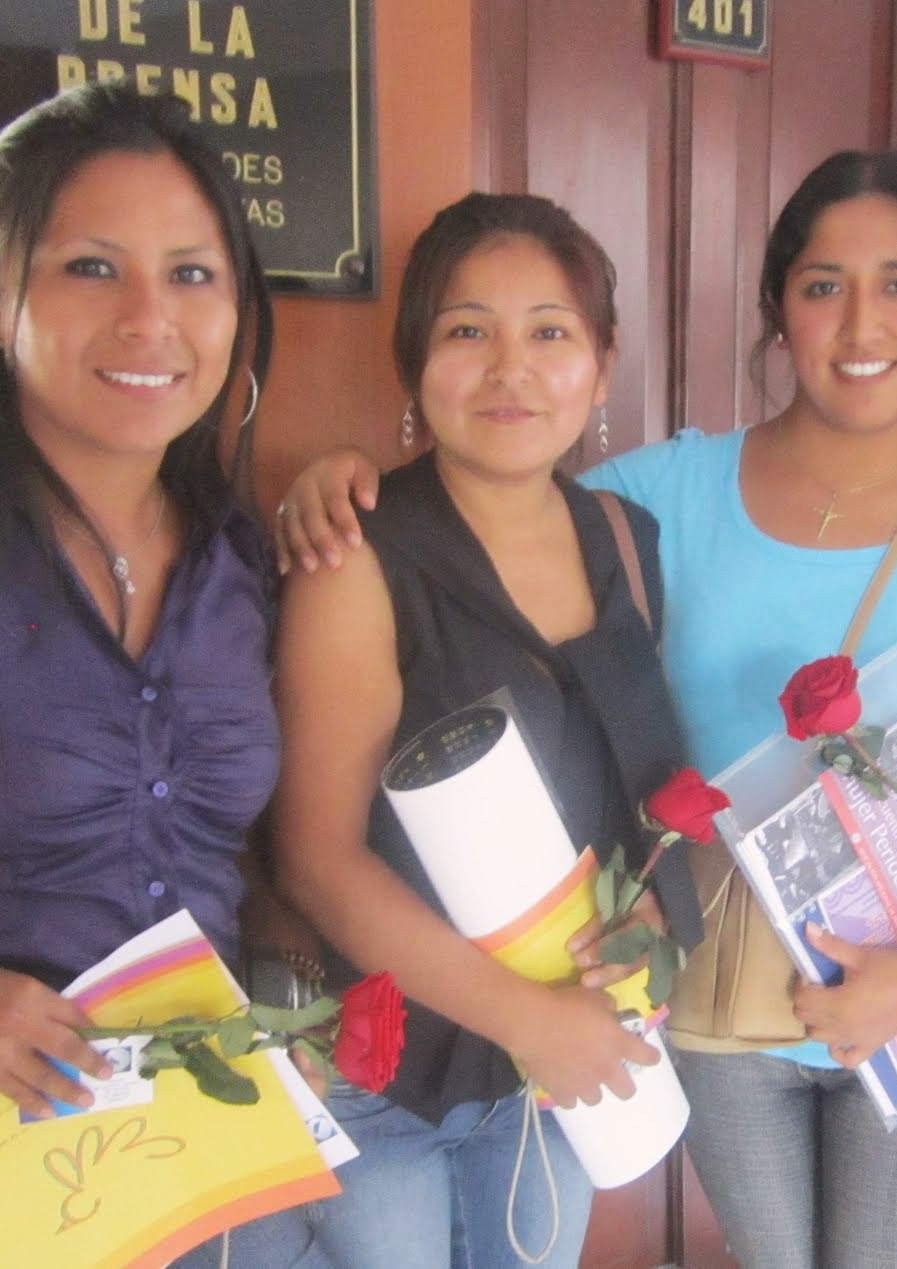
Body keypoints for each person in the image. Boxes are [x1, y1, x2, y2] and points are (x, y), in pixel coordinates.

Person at [277, 151, 897, 1269]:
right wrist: (330, 476)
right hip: (718, 1017)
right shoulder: (656, 501)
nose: (860, 320)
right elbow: (487, 494)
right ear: (779, 312)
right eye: (821, 285)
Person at [0, 82, 279, 1266]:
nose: (149, 319)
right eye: (88, 268)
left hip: (179, 1180)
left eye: (191, 273)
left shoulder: (245, 561)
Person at [247, 192, 704, 1268]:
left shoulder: (624, 539)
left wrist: (639, 930)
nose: (511, 368)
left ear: (601, 362)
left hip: (555, 1072)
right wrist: (526, 1019)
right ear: (413, 363)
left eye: (550, 331)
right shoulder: (358, 552)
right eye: (468, 332)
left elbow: (628, 772)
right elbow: (314, 859)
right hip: (395, 1073)